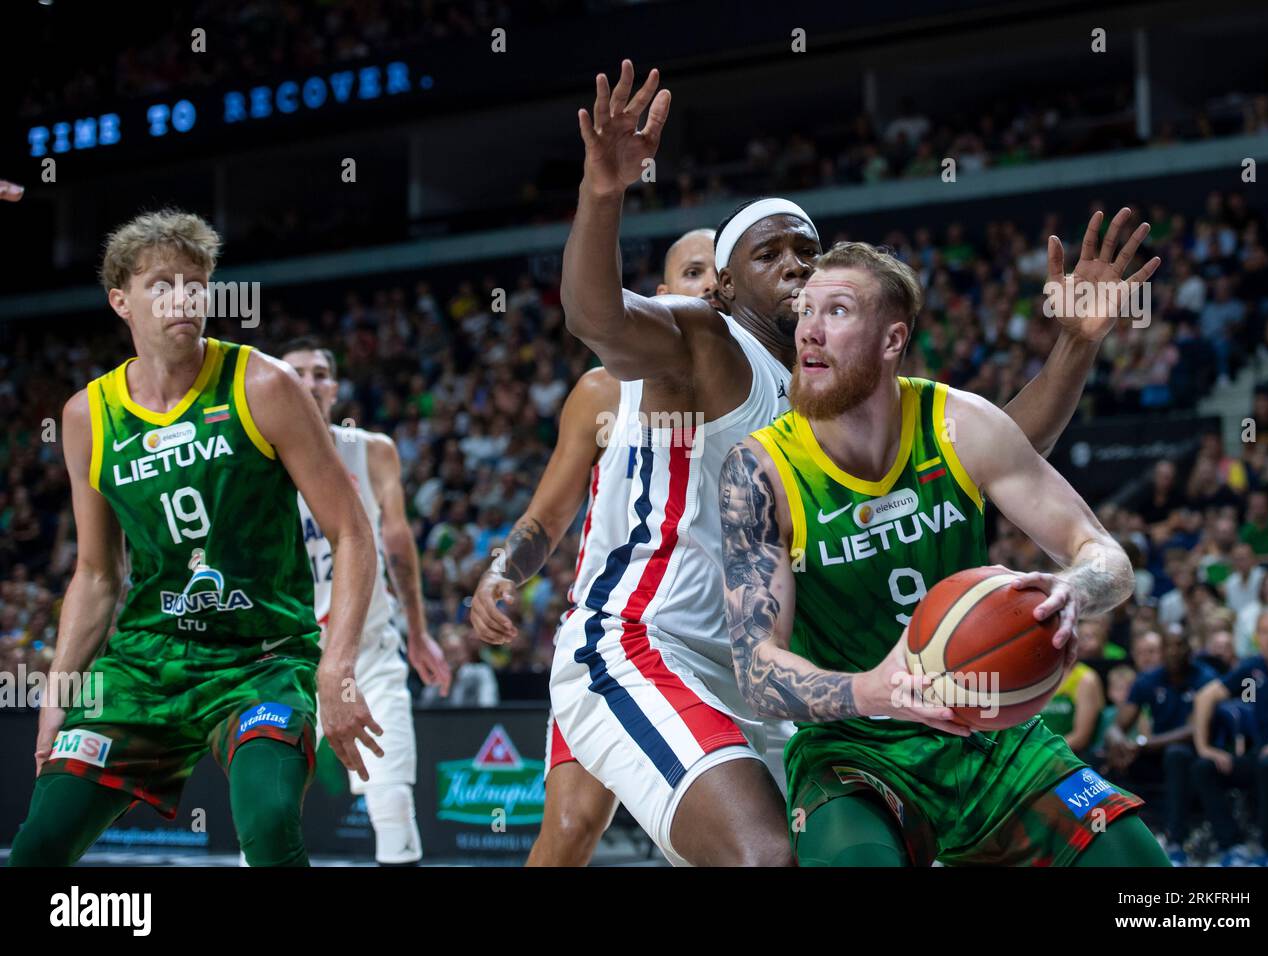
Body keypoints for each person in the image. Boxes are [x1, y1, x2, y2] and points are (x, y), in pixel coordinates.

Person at [551, 59, 1151, 866]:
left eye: (811, 252)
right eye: (773, 256)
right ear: (723, 288)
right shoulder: (709, 343)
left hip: (786, 671)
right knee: (663, 843)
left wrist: (1074, 346)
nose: (798, 266)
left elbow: (1002, 449)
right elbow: (596, 316)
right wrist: (602, 192)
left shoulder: (856, 388)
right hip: (664, 641)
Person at [720, 240, 1167, 866]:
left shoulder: (961, 424)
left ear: (891, 340)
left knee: (1157, 884)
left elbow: (1105, 556)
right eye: (806, 311)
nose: (810, 333)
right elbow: (758, 674)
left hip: (991, 735)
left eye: (839, 311)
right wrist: (876, 691)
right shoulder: (760, 470)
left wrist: (1075, 589)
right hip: (854, 750)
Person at [8, 210, 379, 867]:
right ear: (120, 300)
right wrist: (59, 696)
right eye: (161, 284)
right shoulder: (87, 417)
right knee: (37, 847)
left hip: (263, 656)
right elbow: (96, 574)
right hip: (146, 663)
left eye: (194, 282)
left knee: (267, 825)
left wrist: (338, 665)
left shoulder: (263, 384)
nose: (183, 297)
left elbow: (351, 532)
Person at [472, 227, 740, 866]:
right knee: (569, 828)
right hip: (623, 637)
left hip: (734, 649)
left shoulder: (768, 388)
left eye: (720, 275)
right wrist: (501, 572)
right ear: (664, 295)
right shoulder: (603, 392)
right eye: (694, 273)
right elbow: (549, 513)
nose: (709, 286)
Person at [282, 337, 451, 866]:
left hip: (368, 650)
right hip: (285, 654)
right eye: (297, 373)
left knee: (393, 803)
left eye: (319, 373)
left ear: (333, 387)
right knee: (266, 810)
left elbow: (399, 544)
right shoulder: (254, 459)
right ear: (277, 385)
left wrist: (419, 632)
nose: (309, 382)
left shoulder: (372, 449)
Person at [1192, 607, 1268, 866]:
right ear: (1256, 637)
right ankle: (1232, 845)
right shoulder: (1253, 668)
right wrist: (1205, 747)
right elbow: (1206, 696)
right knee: (1204, 768)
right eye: (1264, 632)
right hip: (1262, 754)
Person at [1105, 629, 1218, 865]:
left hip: (1197, 752)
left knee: (1176, 755)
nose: (1174, 652)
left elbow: (1195, 729)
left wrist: (1143, 744)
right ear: (1162, 652)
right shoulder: (1149, 679)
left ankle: (1176, 841)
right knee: (1110, 759)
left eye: (1180, 646)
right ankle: (1121, 839)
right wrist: (1119, 743)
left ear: (1190, 649)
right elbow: (1117, 725)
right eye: (1168, 646)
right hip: (1155, 753)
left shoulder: (1205, 677)